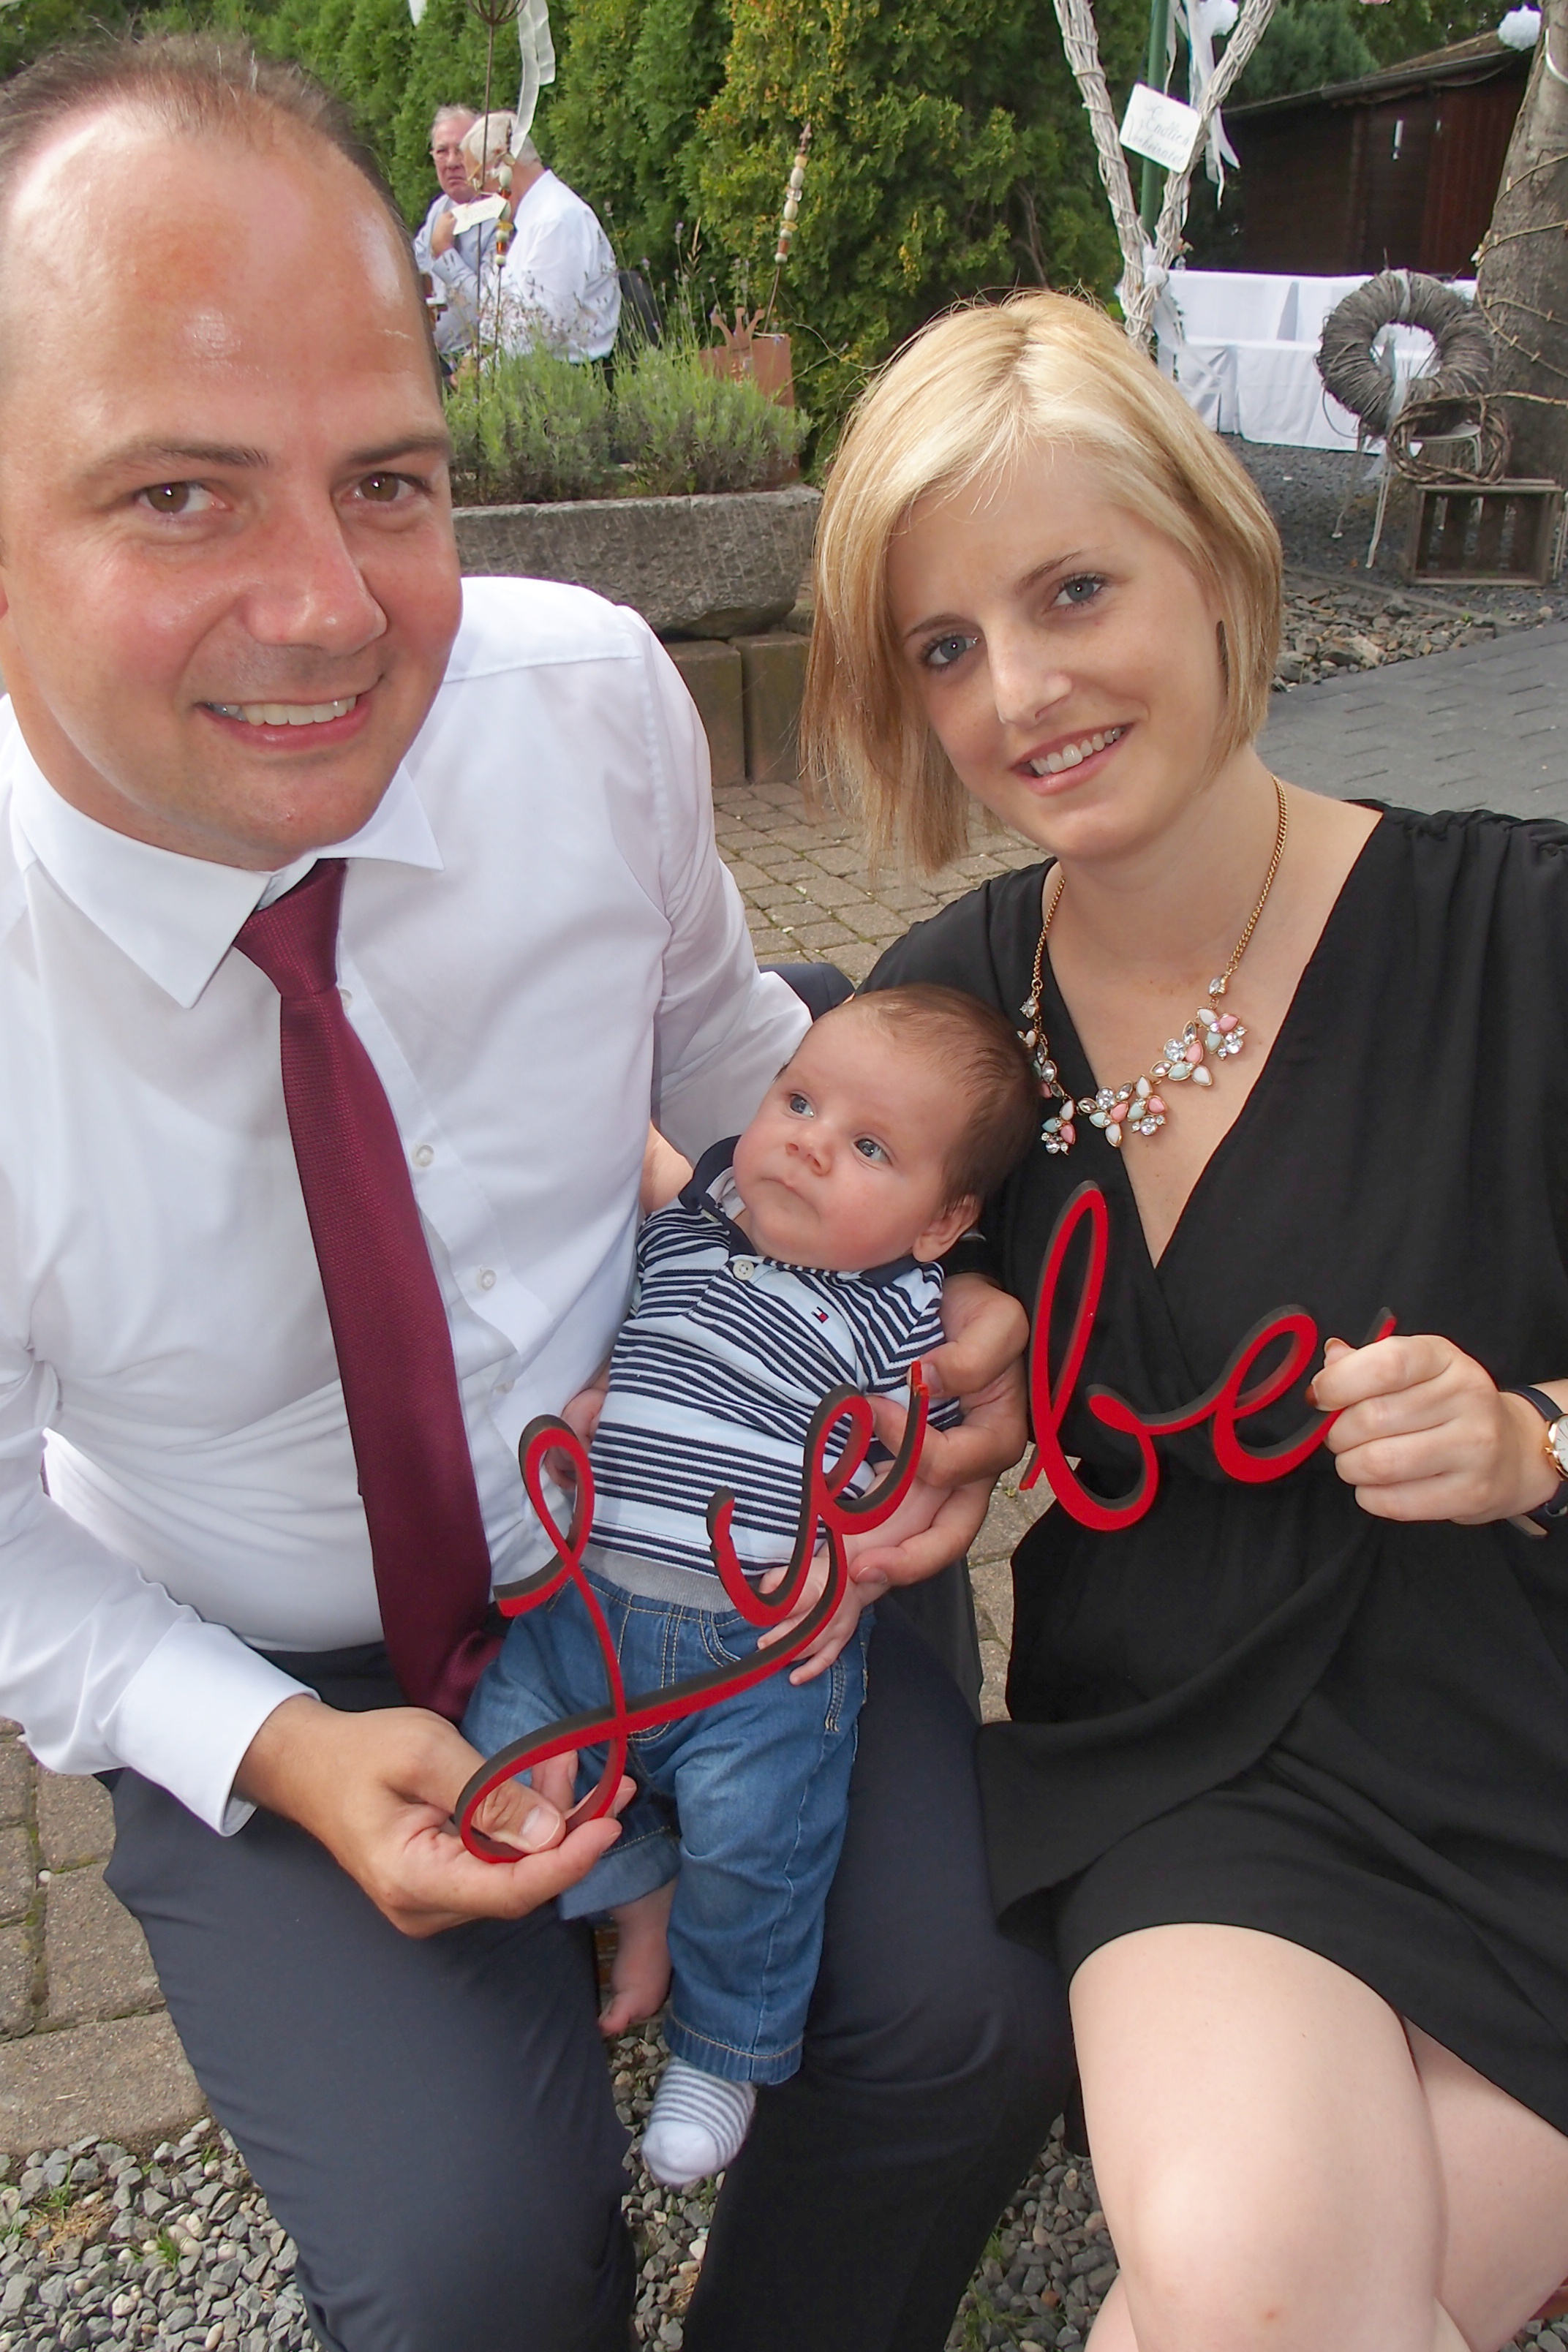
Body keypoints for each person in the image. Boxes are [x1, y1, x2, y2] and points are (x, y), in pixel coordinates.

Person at [0, 37, 1070, 2352]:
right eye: (177, 494)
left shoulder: (580, 700)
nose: (328, 608)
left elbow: (726, 1051)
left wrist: (950, 1302)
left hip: (700, 1480)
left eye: (388, 480)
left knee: (972, 2017)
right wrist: (272, 1749)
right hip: (270, 1641)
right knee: (471, 2262)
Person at [804, 286, 1568, 2352]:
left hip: (1531, 1731)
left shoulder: (1519, 932)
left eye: (1072, 591)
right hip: (1193, 1770)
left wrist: (1534, 1438)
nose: (1021, 692)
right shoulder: (948, 1014)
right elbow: (792, 1330)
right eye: (946, 645)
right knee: (1250, 2286)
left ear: (1217, 566)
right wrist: (922, 1396)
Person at [466, 985, 1039, 2188]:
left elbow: (946, 1456)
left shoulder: (906, 1324)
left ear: (940, 1225)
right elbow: (639, 1178)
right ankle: (633, 1881)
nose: (809, 1143)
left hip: (758, 1656)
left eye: (868, 1147)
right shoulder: (694, 1226)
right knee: (502, 1751)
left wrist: (863, 1542)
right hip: (584, 1613)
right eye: (798, 1100)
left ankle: (724, 2051)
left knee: (760, 1847)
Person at [461, 108, 620, 362]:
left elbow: (539, 337)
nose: (479, 197)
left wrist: (482, 370)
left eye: (479, 183)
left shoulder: (557, 220)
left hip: (568, 379)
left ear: (503, 163)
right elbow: (493, 320)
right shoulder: (532, 221)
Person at [411, 103, 497, 360]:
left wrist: (445, 253)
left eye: (460, 150)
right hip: (434, 358)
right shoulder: (440, 208)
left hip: (482, 362)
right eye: (441, 151)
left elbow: (493, 310)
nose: (451, 163)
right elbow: (414, 275)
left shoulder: (502, 215)